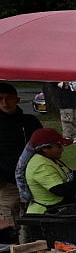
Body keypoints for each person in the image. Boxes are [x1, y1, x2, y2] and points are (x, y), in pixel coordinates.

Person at [22, 128, 76, 215]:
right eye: (59, 146)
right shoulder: (40, 165)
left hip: (58, 210)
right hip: (45, 215)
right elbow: (59, 190)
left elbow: (59, 175)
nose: (62, 150)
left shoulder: (50, 159)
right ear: (45, 148)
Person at [0, 83, 42, 231]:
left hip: (33, 182)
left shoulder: (29, 122)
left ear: (17, 99)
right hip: (7, 185)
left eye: (9, 98)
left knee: (33, 225)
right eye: (0, 99)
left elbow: (42, 148)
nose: (5, 103)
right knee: (9, 226)